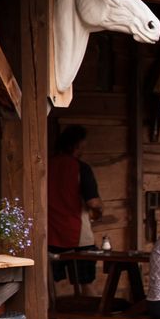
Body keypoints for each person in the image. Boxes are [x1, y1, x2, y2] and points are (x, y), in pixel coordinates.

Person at [48, 125, 103, 293]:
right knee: (85, 283)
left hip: (50, 234)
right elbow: (93, 203)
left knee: (51, 285)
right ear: (77, 145)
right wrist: (100, 211)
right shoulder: (81, 168)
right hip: (78, 236)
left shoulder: (46, 165)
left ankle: (51, 317)